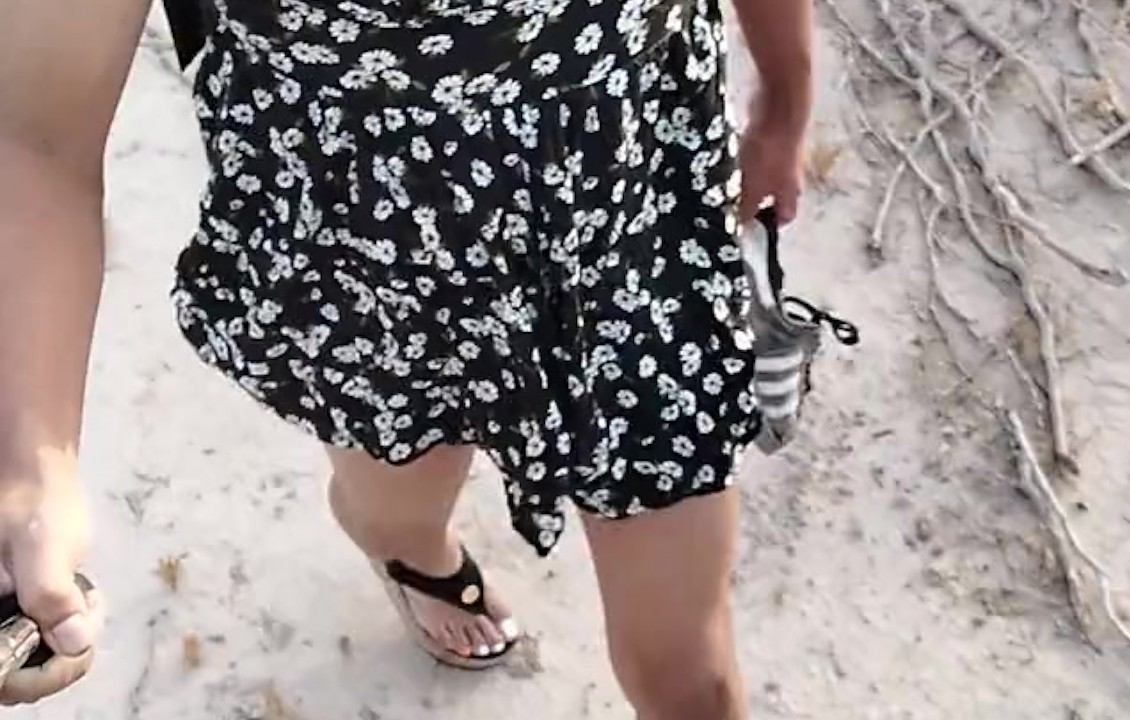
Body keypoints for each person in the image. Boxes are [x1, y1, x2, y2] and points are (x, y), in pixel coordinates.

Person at [0, 0, 814, 714]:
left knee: (691, 682)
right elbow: (34, 138)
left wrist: (785, 92)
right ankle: (410, 553)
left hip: (624, 213)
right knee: (397, 511)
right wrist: (33, 466)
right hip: (366, 241)